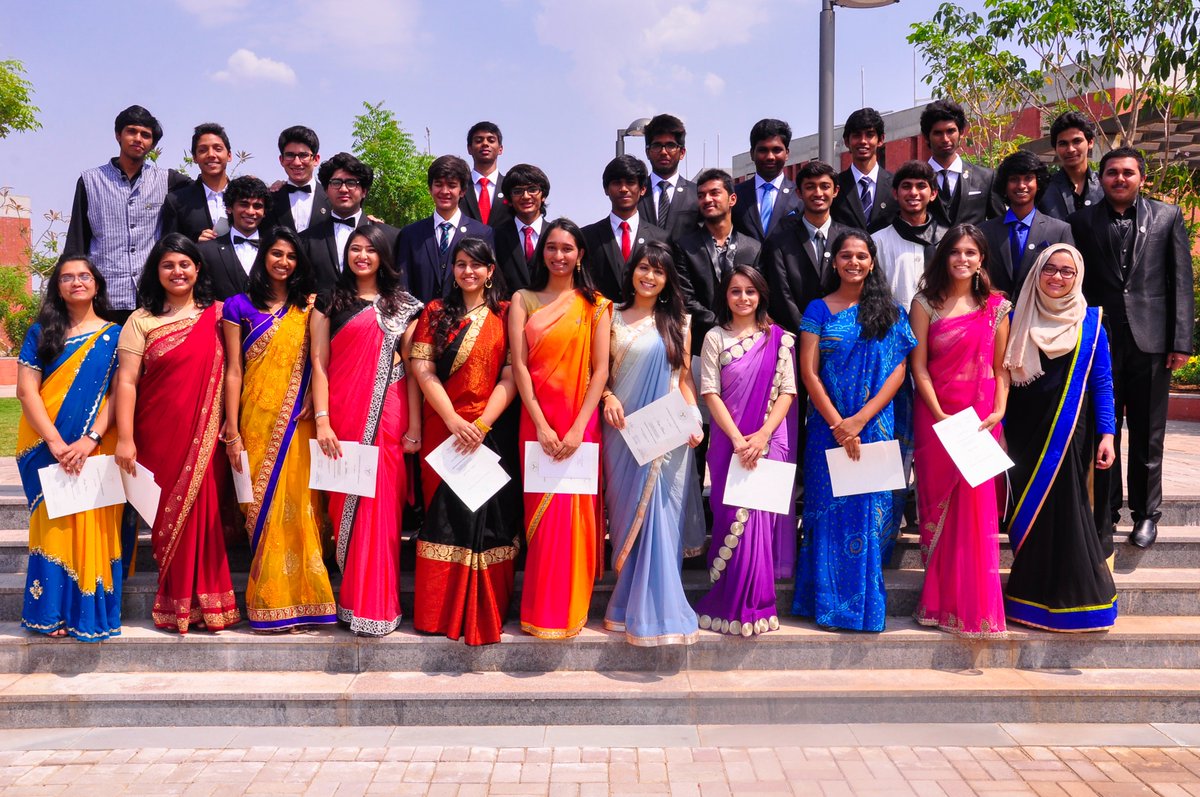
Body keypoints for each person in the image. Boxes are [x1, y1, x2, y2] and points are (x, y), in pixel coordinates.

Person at [114, 233, 239, 634]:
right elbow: (128, 382)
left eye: (184, 264)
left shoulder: (219, 315)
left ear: (197, 268)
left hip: (206, 434)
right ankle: (176, 601)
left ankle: (208, 603)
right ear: (157, 271)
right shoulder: (141, 320)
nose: (177, 271)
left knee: (204, 515)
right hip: (157, 431)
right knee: (170, 516)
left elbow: (238, 371)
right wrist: (126, 437)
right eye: (168, 265)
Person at [1071, 147, 1195, 549]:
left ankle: (1146, 514)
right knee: (1105, 431)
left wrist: (1180, 342)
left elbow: (1180, 282)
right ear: (1101, 178)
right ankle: (1105, 513)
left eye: (1127, 173)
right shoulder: (1081, 222)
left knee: (1148, 433)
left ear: (1142, 177)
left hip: (1152, 343)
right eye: (1111, 173)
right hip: (1100, 344)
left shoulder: (1167, 216)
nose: (1119, 179)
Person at [793, 231, 916, 632]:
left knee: (868, 514)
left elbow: (899, 370)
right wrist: (837, 424)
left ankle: (864, 608)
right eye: (846, 256)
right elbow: (809, 373)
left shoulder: (891, 311)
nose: (854, 262)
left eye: (861, 256)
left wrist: (860, 421)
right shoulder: (818, 309)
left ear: (872, 262)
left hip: (875, 427)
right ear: (834, 263)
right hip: (827, 429)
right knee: (829, 515)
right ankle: (828, 607)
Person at [221, 227, 337, 632]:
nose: (283, 262)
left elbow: (318, 362)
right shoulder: (237, 305)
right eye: (276, 254)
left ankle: (306, 599)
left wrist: (314, 403)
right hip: (254, 420)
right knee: (261, 508)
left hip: (298, 422)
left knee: (300, 506)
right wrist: (231, 428)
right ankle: (270, 600)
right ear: (263, 258)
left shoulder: (309, 307)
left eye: (290, 256)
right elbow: (234, 370)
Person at [310, 224, 423, 636]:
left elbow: (413, 371)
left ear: (382, 257)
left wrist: (414, 425)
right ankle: (352, 599)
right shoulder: (328, 301)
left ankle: (377, 604)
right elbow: (319, 364)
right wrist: (321, 418)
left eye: (370, 250)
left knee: (383, 507)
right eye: (354, 249)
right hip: (341, 413)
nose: (361, 256)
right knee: (345, 505)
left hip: (388, 415)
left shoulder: (404, 305)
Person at [409, 237, 520, 646]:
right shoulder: (435, 313)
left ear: (491, 271)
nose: (468, 271)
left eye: (477, 265)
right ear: (452, 270)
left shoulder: (507, 314)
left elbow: (512, 375)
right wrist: (455, 420)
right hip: (446, 432)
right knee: (444, 518)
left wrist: (483, 423)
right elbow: (423, 372)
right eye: (460, 264)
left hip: (490, 434)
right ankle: (440, 613)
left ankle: (485, 611)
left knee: (491, 523)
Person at [1002, 243, 1118, 631]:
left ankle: (1074, 601)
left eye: (1067, 271)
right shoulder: (1016, 316)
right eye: (1050, 268)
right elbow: (1000, 374)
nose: (1057, 277)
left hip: (1068, 430)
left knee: (1065, 507)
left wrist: (1108, 434)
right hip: (1021, 430)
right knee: (1028, 512)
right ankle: (1027, 594)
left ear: (1078, 276)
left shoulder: (1091, 323)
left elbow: (1101, 382)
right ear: (1037, 271)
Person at [509, 219, 613, 639]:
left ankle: (571, 608)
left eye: (567, 248)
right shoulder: (523, 299)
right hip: (536, 425)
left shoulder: (597, 305)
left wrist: (577, 428)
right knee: (543, 519)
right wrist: (540, 423)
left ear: (580, 254)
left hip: (580, 427)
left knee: (575, 518)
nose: (558, 255)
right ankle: (540, 609)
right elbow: (518, 365)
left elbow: (601, 369)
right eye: (551, 247)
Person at [600, 241, 705, 646]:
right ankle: (628, 603)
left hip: (667, 436)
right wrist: (608, 397)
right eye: (644, 268)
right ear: (632, 272)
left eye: (658, 272)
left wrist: (694, 419)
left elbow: (683, 380)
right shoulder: (610, 316)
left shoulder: (679, 321)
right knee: (628, 515)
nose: (649, 276)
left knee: (662, 516)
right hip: (623, 432)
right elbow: (599, 374)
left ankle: (660, 608)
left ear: (667, 280)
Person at [909, 224, 1010, 638]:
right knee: (939, 506)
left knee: (975, 510)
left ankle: (972, 606)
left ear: (981, 258)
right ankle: (937, 601)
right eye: (955, 252)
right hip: (937, 419)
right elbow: (919, 367)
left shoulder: (997, 307)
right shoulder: (925, 303)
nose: (963, 259)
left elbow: (1001, 367)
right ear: (944, 257)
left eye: (971, 252)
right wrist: (940, 415)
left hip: (981, 419)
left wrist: (999, 410)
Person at [17, 256, 123, 641]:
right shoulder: (41, 332)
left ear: (96, 283)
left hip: (94, 447)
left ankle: (87, 611)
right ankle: (50, 612)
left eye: (84, 276)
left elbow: (117, 393)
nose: (76, 282)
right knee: (55, 529)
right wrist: (57, 443)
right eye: (67, 277)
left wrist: (89, 439)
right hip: (47, 447)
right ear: (57, 287)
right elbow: (26, 391)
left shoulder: (115, 334)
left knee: (92, 524)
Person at [695, 265, 798, 636]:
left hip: (768, 443)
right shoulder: (714, 338)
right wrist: (739, 440)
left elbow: (788, 391)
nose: (743, 298)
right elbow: (710, 392)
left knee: (759, 524)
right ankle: (730, 598)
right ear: (725, 296)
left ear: (761, 296)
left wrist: (763, 436)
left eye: (750, 291)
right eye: (735, 291)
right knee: (730, 519)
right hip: (729, 445)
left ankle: (758, 604)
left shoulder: (780, 340)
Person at [64, 105, 191, 323]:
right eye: (131, 131)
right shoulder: (90, 181)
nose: (138, 139)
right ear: (118, 135)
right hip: (104, 298)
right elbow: (77, 240)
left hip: (151, 297)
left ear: (152, 143)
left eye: (146, 135)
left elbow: (205, 190)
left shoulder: (166, 180)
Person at [674, 169, 762, 356]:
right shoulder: (684, 246)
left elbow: (759, 295)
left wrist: (738, 327)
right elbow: (686, 299)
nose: (707, 199)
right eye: (701, 195)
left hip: (746, 345)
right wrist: (721, 325)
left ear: (732, 199)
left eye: (714, 193)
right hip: (700, 345)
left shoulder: (753, 248)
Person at [763, 160, 854, 332]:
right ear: (799, 193)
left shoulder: (850, 239)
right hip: (795, 338)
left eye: (825, 186)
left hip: (844, 336)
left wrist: (836, 333)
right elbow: (782, 297)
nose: (818, 193)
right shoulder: (779, 243)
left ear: (835, 191)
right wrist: (808, 333)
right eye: (810, 187)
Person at [398, 155, 494, 304]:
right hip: (419, 322)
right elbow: (403, 285)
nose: (444, 191)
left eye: (451, 185)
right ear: (430, 188)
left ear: (462, 191)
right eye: (438, 184)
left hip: (466, 321)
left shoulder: (482, 233)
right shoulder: (410, 234)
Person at [302, 152, 402, 293]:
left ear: (364, 191)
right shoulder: (306, 240)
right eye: (336, 183)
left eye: (351, 183)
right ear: (326, 190)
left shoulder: (391, 236)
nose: (343, 189)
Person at [980, 150, 1074, 299]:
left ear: (1038, 183)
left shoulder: (1059, 230)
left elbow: (1069, 280)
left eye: (1028, 178)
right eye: (1014, 179)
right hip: (995, 315)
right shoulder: (984, 231)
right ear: (1004, 184)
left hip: (1041, 315)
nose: (1021, 185)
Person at [581, 156, 669, 303]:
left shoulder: (661, 238)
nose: (623, 189)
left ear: (642, 189)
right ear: (606, 189)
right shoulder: (587, 236)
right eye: (616, 183)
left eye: (630, 182)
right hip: (599, 321)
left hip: (646, 322)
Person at [870, 160, 943, 323]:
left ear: (933, 194)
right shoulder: (877, 241)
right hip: (892, 330)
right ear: (895, 193)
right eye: (906, 186)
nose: (913, 192)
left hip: (939, 329)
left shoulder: (946, 240)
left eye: (921, 186)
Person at [921, 100, 1003, 228]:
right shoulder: (916, 181)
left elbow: (999, 225)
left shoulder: (986, 178)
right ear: (926, 137)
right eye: (938, 133)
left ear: (961, 133)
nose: (945, 139)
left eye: (950, 131)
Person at [198, 175, 271, 300]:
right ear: (229, 208)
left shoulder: (275, 250)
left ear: (264, 212)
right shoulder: (206, 251)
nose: (250, 211)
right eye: (244, 204)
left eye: (257, 206)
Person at [161, 123, 233, 242]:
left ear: (229, 155)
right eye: (203, 150)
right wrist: (194, 243)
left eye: (218, 149)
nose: (211, 155)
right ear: (195, 157)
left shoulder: (245, 197)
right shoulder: (177, 201)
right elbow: (169, 247)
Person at [732, 119, 800, 242]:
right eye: (763, 150)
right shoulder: (735, 195)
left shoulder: (800, 196)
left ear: (787, 153)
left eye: (776, 150)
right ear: (752, 154)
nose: (770, 157)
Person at [830, 108, 896, 234]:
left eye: (870, 135)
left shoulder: (896, 185)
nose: (863, 141)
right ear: (846, 141)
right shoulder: (834, 186)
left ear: (881, 139)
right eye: (856, 135)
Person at [637, 114, 700, 243]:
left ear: (682, 152)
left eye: (670, 145)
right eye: (657, 146)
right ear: (647, 152)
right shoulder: (635, 193)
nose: (664, 152)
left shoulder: (697, 194)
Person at [495, 164, 550, 294]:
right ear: (509, 199)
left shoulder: (555, 234)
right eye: (517, 191)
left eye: (532, 189)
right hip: (507, 311)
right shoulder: (495, 236)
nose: (525, 196)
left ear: (543, 195)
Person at [1039, 111, 1104, 221]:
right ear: (1055, 148)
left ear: (1090, 143)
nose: (1070, 149)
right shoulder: (1043, 190)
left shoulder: (1104, 186)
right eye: (1063, 144)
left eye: (1077, 141)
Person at [264, 125, 328, 234]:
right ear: (281, 160)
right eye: (290, 155)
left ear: (316, 159)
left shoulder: (331, 198)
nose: (296, 162)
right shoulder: (269, 200)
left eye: (303, 155)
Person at [460, 122, 511, 229]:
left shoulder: (510, 187)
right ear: (469, 148)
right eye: (479, 140)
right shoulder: (459, 186)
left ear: (500, 149)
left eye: (491, 140)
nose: (485, 144)